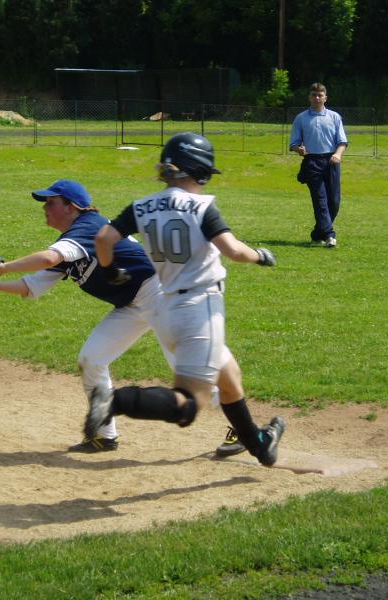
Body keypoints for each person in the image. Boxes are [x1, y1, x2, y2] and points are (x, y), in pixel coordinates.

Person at [0, 179, 235, 454]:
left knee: (189, 370)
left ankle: (242, 426)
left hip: (157, 294)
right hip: (131, 305)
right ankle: (104, 436)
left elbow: (49, 259)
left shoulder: (88, 226)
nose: (45, 208)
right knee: (92, 359)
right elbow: (30, 288)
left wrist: (0, 268)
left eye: (51, 202)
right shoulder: (69, 243)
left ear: (71, 207)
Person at [86, 132, 286, 467]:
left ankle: (259, 444)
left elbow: (104, 238)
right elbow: (233, 251)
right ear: (201, 171)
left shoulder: (142, 206)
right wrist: (261, 256)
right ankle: (114, 400)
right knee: (190, 404)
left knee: (230, 378)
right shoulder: (202, 207)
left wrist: (109, 272)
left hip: (166, 309)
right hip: (200, 309)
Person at [289, 82, 348, 248]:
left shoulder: (335, 117)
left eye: (320, 95)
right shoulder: (301, 118)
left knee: (334, 202)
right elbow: (294, 143)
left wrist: (337, 154)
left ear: (325, 98)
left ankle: (318, 234)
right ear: (309, 97)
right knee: (320, 199)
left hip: (331, 161)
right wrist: (298, 149)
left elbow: (342, 141)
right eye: (314, 95)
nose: (317, 98)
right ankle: (330, 235)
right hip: (312, 162)